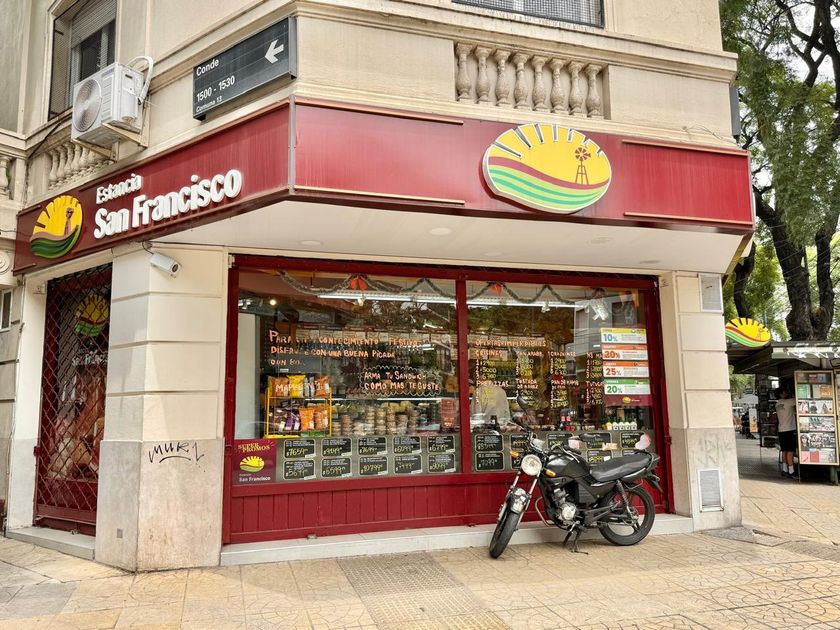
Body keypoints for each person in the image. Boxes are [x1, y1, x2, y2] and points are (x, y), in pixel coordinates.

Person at [775, 387, 797, 478]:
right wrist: (792, 393)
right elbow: (798, 399)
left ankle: (784, 470)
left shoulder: (777, 404)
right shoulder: (788, 402)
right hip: (789, 429)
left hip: (781, 430)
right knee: (790, 451)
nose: (786, 393)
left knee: (784, 451)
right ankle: (791, 471)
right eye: (785, 392)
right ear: (781, 394)